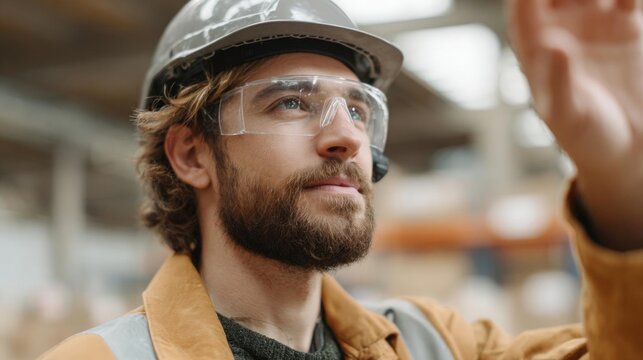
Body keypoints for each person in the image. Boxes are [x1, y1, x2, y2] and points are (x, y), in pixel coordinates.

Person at [39, 0, 643, 359]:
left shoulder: (432, 341)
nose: (346, 136)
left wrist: (620, 177)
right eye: (290, 104)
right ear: (192, 155)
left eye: (358, 109)